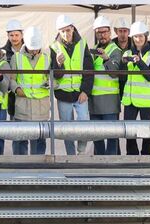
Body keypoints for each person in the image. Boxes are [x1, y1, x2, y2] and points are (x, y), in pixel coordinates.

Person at [50, 15, 88, 155]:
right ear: (59, 32)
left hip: (80, 93)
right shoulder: (54, 47)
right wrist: (59, 65)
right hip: (63, 95)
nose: (66, 33)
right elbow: (55, 74)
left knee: (85, 124)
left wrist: (85, 91)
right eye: (62, 31)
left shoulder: (83, 44)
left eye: (68, 30)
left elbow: (89, 69)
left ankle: (81, 150)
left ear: (73, 28)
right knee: (67, 129)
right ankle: (71, 156)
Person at [122, 24, 150, 156]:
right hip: (130, 101)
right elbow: (121, 75)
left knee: (147, 132)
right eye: (135, 36)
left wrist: (139, 62)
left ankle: (145, 156)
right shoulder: (127, 53)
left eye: (140, 36)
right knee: (129, 131)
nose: (138, 39)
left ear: (145, 37)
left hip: (146, 101)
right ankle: (131, 156)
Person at [10, 27, 52, 155]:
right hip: (23, 106)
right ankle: (19, 168)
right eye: (32, 47)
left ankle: (39, 169)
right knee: (20, 140)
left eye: (36, 48)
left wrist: (49, 83)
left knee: (39, 141)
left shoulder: (47, 58)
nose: (34, 50)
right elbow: (11, 79)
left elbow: (53, 80)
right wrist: (17, 89)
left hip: (41, 108)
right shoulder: (16, 58)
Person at [87, 16, 124, 155]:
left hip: (109, 101)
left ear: (110, 32)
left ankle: (110, 164)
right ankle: (100, 162)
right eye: (99, 32)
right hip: (94, 101)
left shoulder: (115, 50)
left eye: (104, 32)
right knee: (96, 136)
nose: (102, 35)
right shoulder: (94, 50)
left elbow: (114, 73)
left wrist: (107, 59)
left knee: (111, 136)